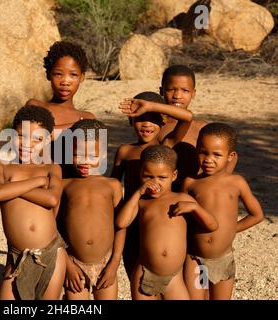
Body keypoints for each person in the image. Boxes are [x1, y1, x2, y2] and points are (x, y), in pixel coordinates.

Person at [116, 145, 216, 300]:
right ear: (140, 174)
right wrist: (138, 192)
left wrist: (195, 208)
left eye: (162, 177)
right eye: (148, 176)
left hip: (174, 278)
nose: (154, 182)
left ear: (174, 175)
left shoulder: (182, 199)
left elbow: (212, 226)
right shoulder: (142, 202)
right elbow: (121, 222)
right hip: (144, 273)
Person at [111, 92, 193, 281]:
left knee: (165, 277)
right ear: (131, 121)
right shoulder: (125, 151)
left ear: (163, 120)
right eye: (140, 119)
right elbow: (114, 186)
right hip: (131, 223)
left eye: (153, 119)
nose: (147, 124)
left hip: (160, 223)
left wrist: (151, 106)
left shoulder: (166, 147)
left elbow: (187, 117)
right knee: (137, 280)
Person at [0, 105, 66, 300]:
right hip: (18, 256)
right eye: (21, 135)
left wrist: (13, 187)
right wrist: (38, 182)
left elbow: (51, 199)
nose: (27, 144)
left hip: (51, 253)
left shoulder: (51, 168)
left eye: (37, 139)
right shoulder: (1, 165)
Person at [182, 123, 264, 300]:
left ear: (230, 156)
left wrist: (230, 230)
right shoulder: (190, 183)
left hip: (222, 259)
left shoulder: (236, 182)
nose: (208, 159)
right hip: (196, 260)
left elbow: (257, 215)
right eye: (203, 152)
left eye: (217, 154)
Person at [60, 119, 124, 300]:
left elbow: (121, 225)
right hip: (74, 263)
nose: (84, 161)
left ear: (103, 154)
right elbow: (54, 226)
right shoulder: (65, 185)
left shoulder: (112, 186)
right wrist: (67, 264)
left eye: (92, 155)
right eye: (78, 154)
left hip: (105, 263)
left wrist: (114, 263)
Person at [156, 65, 236, 190]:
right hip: (165, 193)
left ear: (193, 93)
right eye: (171, 89)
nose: (177, 95)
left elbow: (231, 155)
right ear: (161, 91)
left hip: (197, 191)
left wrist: (220, 181)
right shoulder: (156, 127)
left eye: (185, 90)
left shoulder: (202, 127)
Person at [25, 41, 96, 134]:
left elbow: (92, 147)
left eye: (73, 75)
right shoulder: (36, 106)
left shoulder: (88, 117)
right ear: (48, 75)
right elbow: (36, 135)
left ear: (82, 77)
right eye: (58, 74)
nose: (65, 82)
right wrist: (78, 126)